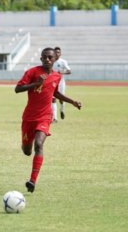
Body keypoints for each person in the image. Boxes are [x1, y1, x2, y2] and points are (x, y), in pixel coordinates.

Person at [15, 47, 81, 193]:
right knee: (27, 151)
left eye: (50, 57)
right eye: (44, 57)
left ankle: (32, 181)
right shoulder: (32, 72)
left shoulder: (57, 76)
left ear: (55, 59)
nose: (47, 59)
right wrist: (35, 84)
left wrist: (72, 102)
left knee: (39, 144)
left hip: (45, 117)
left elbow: (55, 92)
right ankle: (26, 143)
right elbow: (17, 89)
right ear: (41, 58)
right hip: (29, 118)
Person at [51, 47, 72, 122]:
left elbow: (69, 71)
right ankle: (54, 118)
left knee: (61, 100)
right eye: (56, 52)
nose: (57, 54)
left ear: (60, 53)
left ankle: (62, 110)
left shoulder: (63, 62)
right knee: (53, 100)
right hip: (52, 83)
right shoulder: (50, 61)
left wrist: (61, 72)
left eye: (58, 52)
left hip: (61, 84)